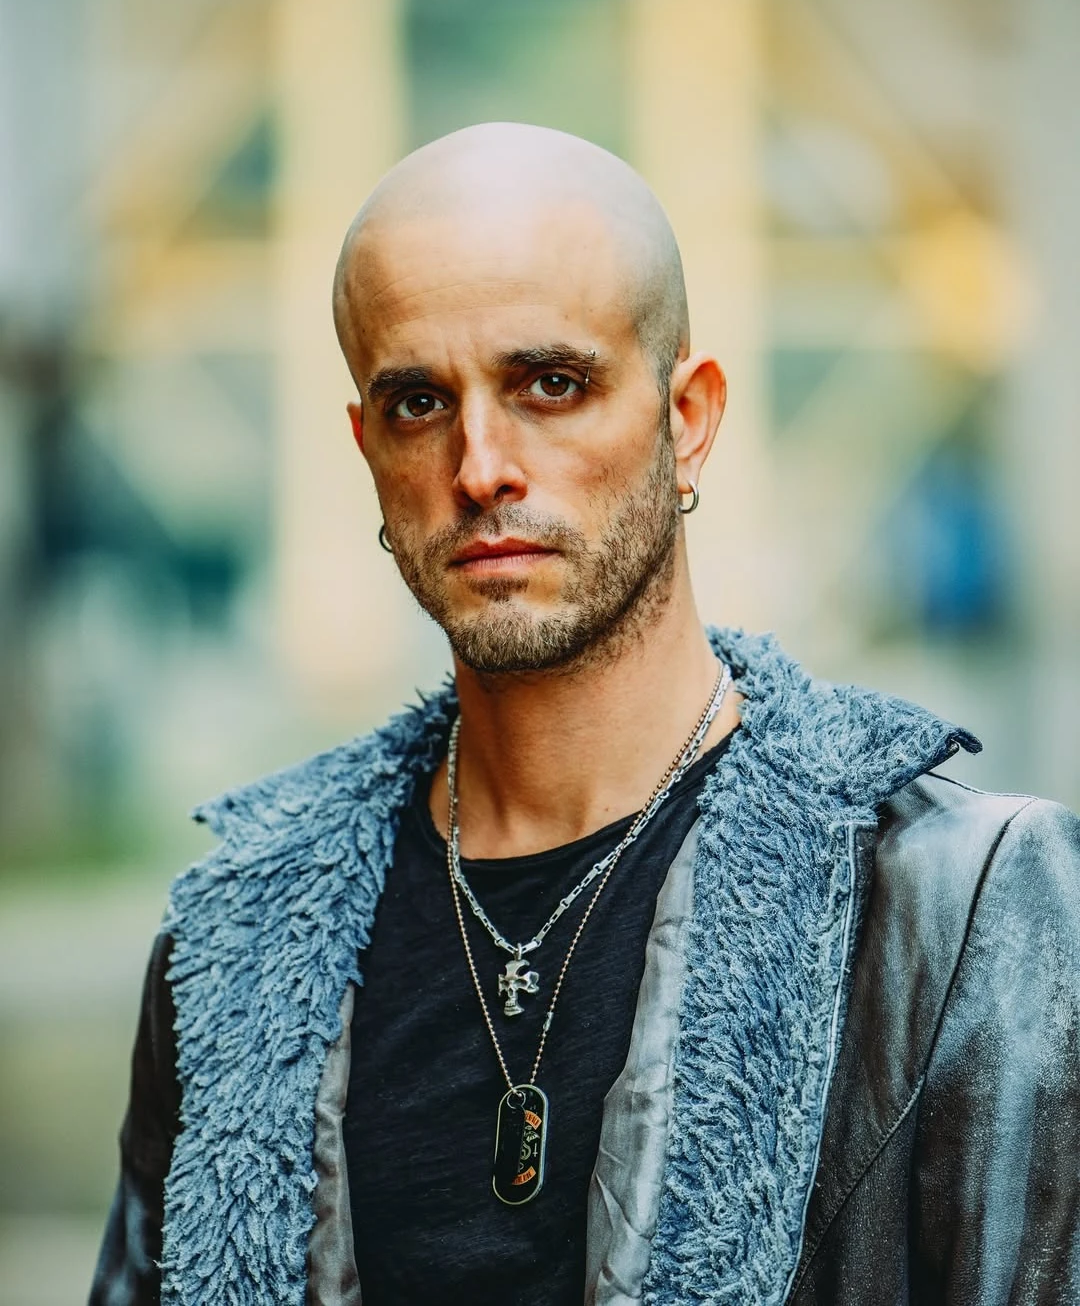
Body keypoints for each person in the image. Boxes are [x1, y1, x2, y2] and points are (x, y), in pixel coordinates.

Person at [90, 123, 1080, 1306]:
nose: (481, 467)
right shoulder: (236, 943)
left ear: (688, 420)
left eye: (550, 385)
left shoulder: (961, 910)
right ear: (367, 450)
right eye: (418, 403)